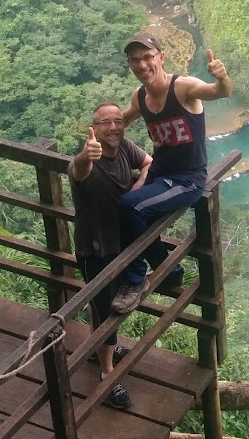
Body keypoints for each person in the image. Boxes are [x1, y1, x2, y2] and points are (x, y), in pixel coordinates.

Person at [109, 32, 233, 314]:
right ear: (130, 64)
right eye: (135, 60)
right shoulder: (139, 97)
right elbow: (124, 120)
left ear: (161, 58)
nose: (142, 65)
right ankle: (168, 270)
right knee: (121, 202)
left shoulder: (183, 88)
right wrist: (101, 133)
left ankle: (137, 279)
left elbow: (221, 92)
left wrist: (222, 76)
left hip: (187, 179)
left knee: (130, 206)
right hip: (159, 172)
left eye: (148, 57)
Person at [68, 101, 152, 409]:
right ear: (94, 128)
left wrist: (138, 189)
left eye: (118, 120)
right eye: (106, 123)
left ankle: (100, 348)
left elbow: (149, 161)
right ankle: (107, 375)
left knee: (102, 304)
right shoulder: (86, 158)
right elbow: (79, 170)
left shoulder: (126, 147)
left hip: (120, 242)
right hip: (95, 248)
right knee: (106, 312)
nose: (114, 126)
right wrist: (85, 156)